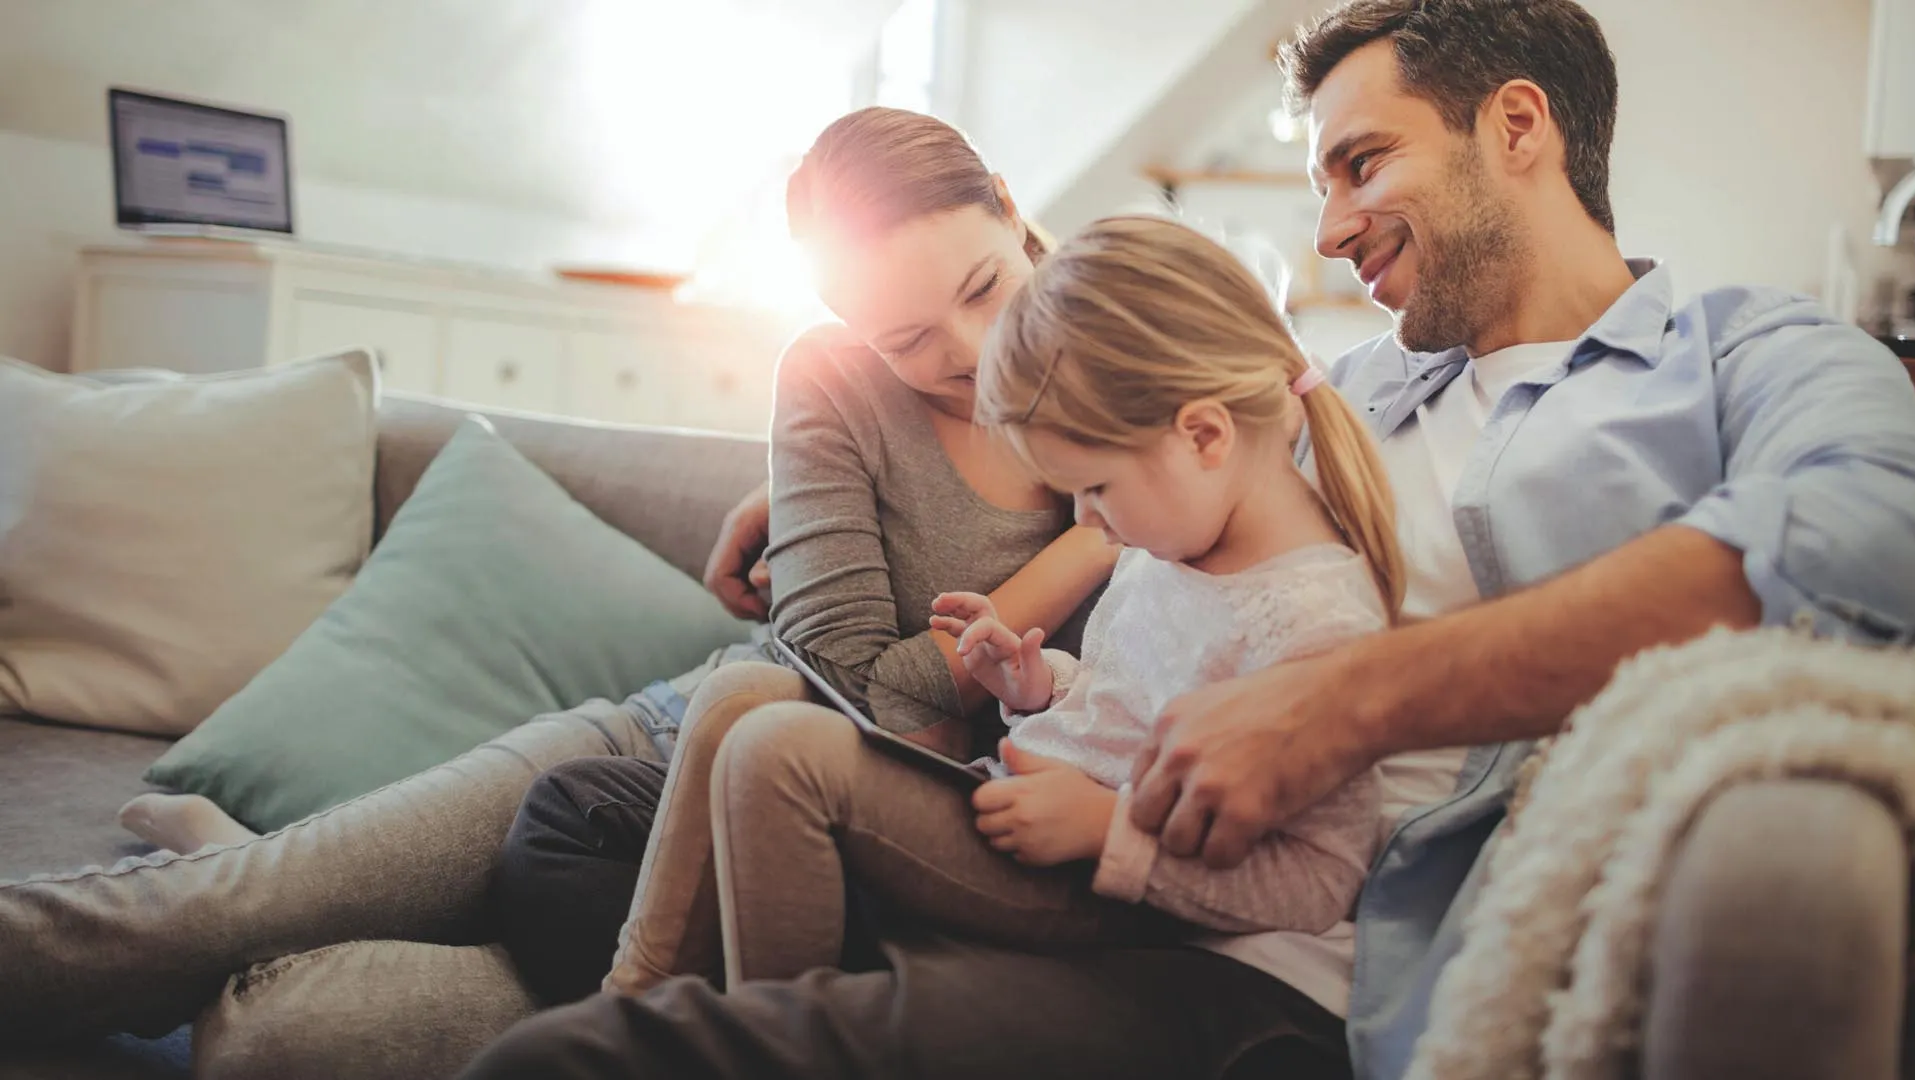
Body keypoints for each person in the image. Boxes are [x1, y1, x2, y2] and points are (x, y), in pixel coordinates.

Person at [459, 1, 1915, 1078]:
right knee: (577, 832)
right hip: (1088, 786)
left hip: (1274, 946)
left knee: (584, 1052)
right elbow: (1128, 475)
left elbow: (1863, 541)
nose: (1334, 229)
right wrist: (821, 470)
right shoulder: (1343, 392)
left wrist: (1345, 701)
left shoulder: (1744, 358)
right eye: (1321, 188)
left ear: (1519, 127)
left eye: (1361, 165)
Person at [0, 107, 1114, 1077]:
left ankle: (273, 867)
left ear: (1012, 210)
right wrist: (1077, 553)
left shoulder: (1136, 379)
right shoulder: (836, 378)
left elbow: (925, 726)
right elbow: (859, 690)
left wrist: (1090, 542)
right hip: (653, 756)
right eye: (908, 338)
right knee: (222, 912)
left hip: (827, 876)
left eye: (983, 288)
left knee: (285, 1043)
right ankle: (262, 871)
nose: (970, 352)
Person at [618, 216, 1398, 1009]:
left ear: (1202, 435)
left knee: (780, 756)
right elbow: (1126, 701)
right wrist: (1038, 684)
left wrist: (1109, 830)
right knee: (688, 759)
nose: (1087, 525)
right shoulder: (1167, 546)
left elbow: (1319, 879)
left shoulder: (1314, 625)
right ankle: (677, 1017)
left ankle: (750, 1040)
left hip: (1095, 889)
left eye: (1095, 488)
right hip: (1017, 804)